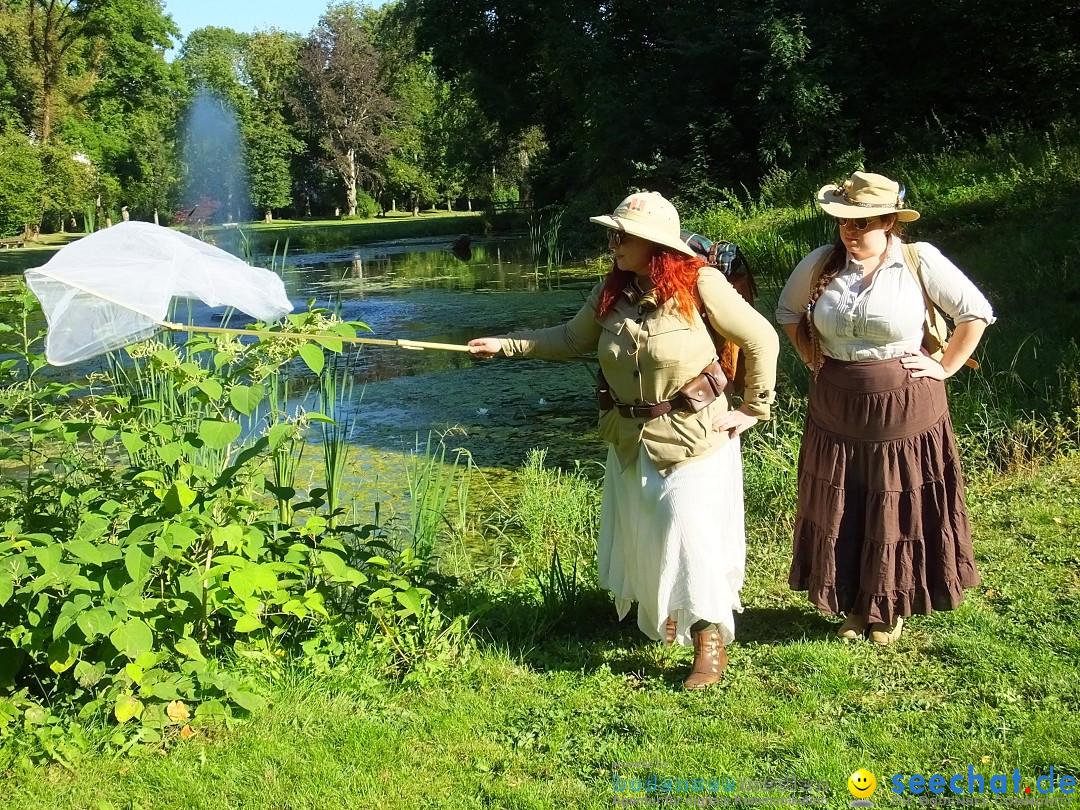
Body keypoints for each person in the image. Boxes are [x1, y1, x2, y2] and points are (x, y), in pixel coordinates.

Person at [469, 191, 779, 688]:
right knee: (653, 531)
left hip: (695, 435)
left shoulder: (700, 285)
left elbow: (761, 337)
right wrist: (506, 345)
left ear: (653, 243)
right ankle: (673, 617)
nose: (612, 243)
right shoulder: (611, 292)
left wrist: (754, 408)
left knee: (687, 525)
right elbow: (572, 341)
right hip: (631, 437)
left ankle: (709, 640)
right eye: (612, 234)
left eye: (622, 235)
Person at [775, 171, 996, 645]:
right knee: (847, 502)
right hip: (836, 406)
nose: (851, 233)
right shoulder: (821, 264)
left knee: (894, 501)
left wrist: (944, 365)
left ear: (891, 222)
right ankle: (855, 604)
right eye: (844, 223)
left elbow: (975, 313)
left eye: (864, 223)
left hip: (905, 406)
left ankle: (890, 607)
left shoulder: (919, 262)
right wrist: (813, 356)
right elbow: (788, 312)